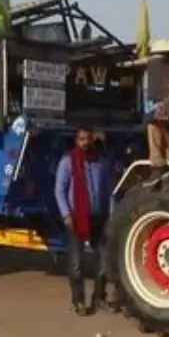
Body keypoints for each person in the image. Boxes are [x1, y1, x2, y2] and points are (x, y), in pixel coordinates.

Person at [54, 127, 113, 315]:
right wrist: (66, 214)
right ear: (76, 141)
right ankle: (78, 301)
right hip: (76, 218)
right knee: (76, 263)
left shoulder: (101, 163)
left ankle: (99, 298)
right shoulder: (68, 162)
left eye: (88, 139)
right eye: (81, 139)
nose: (85, 143)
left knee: (103, 261)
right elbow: (59, 190)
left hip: (99, 216)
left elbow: (109, 190)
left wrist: (111, 214)